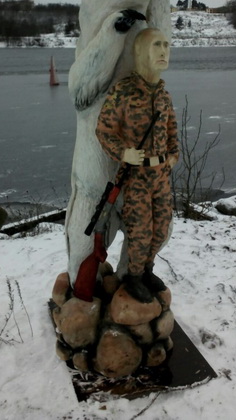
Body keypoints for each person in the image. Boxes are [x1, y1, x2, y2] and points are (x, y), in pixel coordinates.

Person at [96, 28, 179, 302]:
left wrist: (173, 155)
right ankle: (133, 276)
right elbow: (104, 130)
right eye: (157, 45)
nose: (164, 51)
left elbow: (171, 129)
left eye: (167, 45)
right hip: (136, 177)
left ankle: (147, 269)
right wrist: (124, 153)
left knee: (162, 228)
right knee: (140, 231)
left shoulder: (164, 95)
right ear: (142, 53)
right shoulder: (124, 91)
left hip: (161, 175)